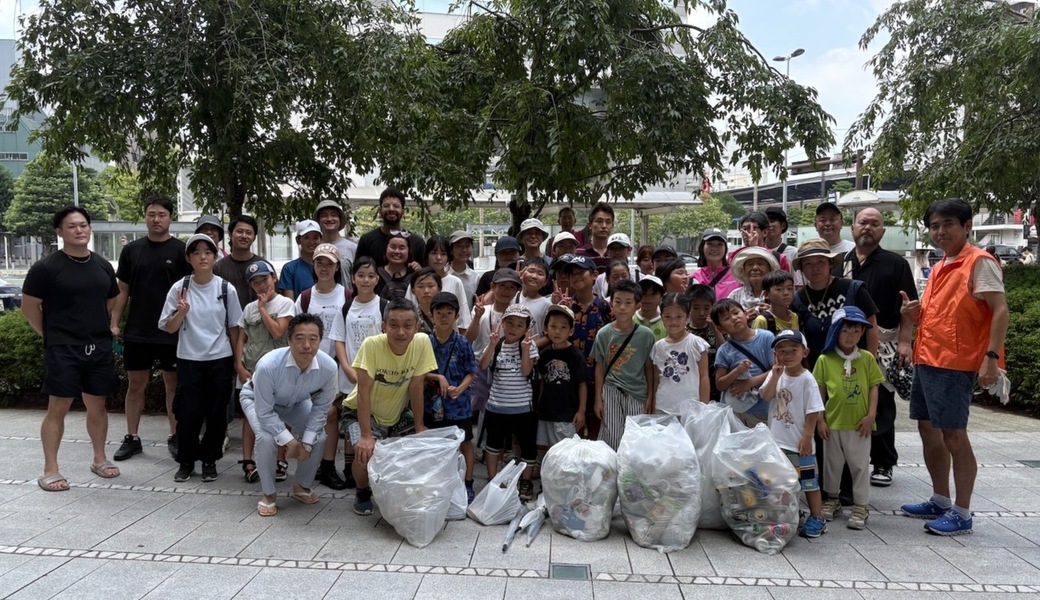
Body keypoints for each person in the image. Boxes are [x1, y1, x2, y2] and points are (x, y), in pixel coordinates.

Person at [899, 198, 1008, 536]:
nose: (940, 231)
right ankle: (940, 498)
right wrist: (915, 316)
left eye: (948, 224)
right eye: (934, 226)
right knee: (928, 430)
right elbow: (949, 314)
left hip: (955, 364)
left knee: (954, 435)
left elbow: (1000, 311)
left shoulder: (979, 262)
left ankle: (962, 512)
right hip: (928, 358)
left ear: (967, 226)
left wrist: (991, 359)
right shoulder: (944, 262)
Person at [24, 206, 121, 491]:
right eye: (71, 226)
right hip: (63, 348)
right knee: (59, 407)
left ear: (90, 228)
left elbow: (111, 299)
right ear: (59, 231)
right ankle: (50, 469)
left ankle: (99, 458)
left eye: (83, 225)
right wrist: (51, 334)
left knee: (98, 405)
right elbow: (29, 308)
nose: (79, 230)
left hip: (98, 346)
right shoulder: (47, 267)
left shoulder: (102, 265)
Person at [839, 207, 917, 488]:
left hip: (884, 344)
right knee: (848, 399)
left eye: (874, 224)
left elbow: (908, 308)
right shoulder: (841, 262)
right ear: (853, 228)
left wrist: (906, 343)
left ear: (883, 231)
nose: (868, 228)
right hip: (845, 344)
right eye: (863, 223)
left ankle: (883, 462)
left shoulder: (896, 264)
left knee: (882, 402)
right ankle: (850, 459)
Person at [109, 196, 190, 462]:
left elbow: (189, 294)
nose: (156, 219)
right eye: (151, 214)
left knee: (172, 385)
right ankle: (132, 437)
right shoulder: (132, 250)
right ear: (145, 216)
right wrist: (114, 322)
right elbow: (123, 290)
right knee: (136, 385)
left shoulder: (182, 251)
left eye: (162, 214)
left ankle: (175, 435)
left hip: (171, 330)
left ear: (170, 218)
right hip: (138, 330)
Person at [342, 298, 438, 516]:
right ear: (383, 326)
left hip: (397, 410)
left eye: (407, 325)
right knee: (364, 452)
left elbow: (416, 386)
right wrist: (366, 436)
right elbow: (364, 391)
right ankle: (362, 491)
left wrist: (419, 425)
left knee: (415, 449)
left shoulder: (422, 342)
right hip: (361, 410)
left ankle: (399, 491)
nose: (401, 332)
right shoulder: (372, 345)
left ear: (417, 326)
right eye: (393, 325)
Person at [159, 233, 243, 483]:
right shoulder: (180, 288)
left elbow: (235, 328)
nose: (203, 257)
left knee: (217, 413)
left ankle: (209, 460)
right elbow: (169, 327)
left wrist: (237, 362)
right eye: (197, 252)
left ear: (215, 257)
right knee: (187, 412)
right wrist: (181, 313)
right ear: (189, 258)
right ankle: (186, 460)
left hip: (220, 359)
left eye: (208, 252)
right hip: (188, 359)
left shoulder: (226, 288)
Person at [239, 313, 335, 516]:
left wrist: (306, 444)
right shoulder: (268, 365)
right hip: (257, 400)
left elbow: (321, 408)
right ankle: (269, 494)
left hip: (296, 403)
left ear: (320, 340)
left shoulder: (329, 367)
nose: (306, 345)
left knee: (319, 436)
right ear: (288, 340)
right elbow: (264, 412)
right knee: (266, 438)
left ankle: (301, 486)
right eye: (299, 338)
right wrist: (291, 443)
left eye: (313, 338)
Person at [814, 307, 884, 530]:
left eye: (856, 330)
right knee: (832, 465)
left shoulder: (866, 359)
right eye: (846, 330)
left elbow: (874, 386)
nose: (851, 335)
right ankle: (832, 500)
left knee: (860, 465)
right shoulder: (825, 359)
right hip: (832, 423)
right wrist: (820, 420)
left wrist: (871, 414)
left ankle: (861, 506)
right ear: (836, 331)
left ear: (862, 333)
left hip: (859, 424)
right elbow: (819, 391)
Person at [294, 243, 352, 490]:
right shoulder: (306, 297)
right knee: (318, 415)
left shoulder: (347, 295)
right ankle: (315, 464)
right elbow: (296, 331)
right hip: (309, 366)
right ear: (313, 265)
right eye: (320, 263)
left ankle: (326, 465)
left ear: (337, 267)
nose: (325, 268)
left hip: (338, 366)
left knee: (331, 414)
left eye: (330, 263)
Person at [233, 260, 295, 485]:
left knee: (280, 413)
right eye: (255, 282)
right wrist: (239, 366)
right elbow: (242, 338)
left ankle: (280, 459)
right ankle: (248, 461)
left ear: (274, 278)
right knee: (250, 417)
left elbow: (279, 332)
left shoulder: (285, 303)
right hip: (251, 372)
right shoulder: (248, 308)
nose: (261, 286)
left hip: (278, 372)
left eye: (264, 280)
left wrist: (262, 308)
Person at [760, 329, 827, 538]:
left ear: (804, 352)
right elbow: (766, 395)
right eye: (782, 350)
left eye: (793, 350)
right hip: (777, 442)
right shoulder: (776, 374)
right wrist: (775, 375)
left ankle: (818, 517)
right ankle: (790, 513)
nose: (787, 355)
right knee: (782, 482)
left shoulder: (807, 379)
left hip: (800, 444)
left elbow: (813, 409)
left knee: (809, 482)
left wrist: (808, 436)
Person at [329, 256, 387, 488]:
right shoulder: (346, 307)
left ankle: (369, 469)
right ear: (353, 278)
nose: (365, 280)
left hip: (377, 377)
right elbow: (339, 341)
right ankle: (350, 469)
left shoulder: (384, 306)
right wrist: (346, 367)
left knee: (372, 420)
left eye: (371, 276)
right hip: (350, 375)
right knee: (349, 420)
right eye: (361, 275)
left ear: (377, 279)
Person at [480, 303, 540, 501]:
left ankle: (525, 482)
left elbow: (526, 372)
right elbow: (482, 365)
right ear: (502, 323)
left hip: (523, 407)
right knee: (493, 445)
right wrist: (491, 344)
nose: (514, 328)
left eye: (519, 325)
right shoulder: (496, 344)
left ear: (526, 329)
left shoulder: (529, 346)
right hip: (496, 406)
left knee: (527, 447)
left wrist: (524, 350)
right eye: (510, 323)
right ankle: (492, 479)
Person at [424, 292, 479, 502]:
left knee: (465, 443)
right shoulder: (425, 341)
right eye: (439, 313)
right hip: (433, 404)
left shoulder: (463, 342)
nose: (444, 317)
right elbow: (417, 372)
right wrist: (437, 378)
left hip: (459, 404)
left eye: (449, 313)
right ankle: (437, 482)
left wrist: (461, 389)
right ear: (431, 314)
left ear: (456, 316)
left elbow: (472, 372)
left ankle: (468, 482)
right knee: (435, 444)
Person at [791, 238, 879, 368]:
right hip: (819, 370)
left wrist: (871, 363)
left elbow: (871, 324)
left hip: (856, 366)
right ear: (802, 268)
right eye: (808, 263)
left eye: (821, 261)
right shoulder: (798, 299)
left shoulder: (853, 289)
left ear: (830, 263)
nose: (815, 268)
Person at [592, 279, 656, 451]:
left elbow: (649, 367)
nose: (622, 307)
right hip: (611, 389)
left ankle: (631, 475)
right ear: (611, 304)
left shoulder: (646, 335)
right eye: (618, 302)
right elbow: (599, 367)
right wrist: (598, 398)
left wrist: (651, 396)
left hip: (637, 392)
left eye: (628, 303)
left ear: (637, 305)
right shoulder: (603, 334)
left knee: (635, 437)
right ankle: (612, 473)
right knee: (612, 435)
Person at [557, 254, 612, 439]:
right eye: (572, 274)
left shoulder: (604, 307)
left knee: (597, 423)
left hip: (597, 376)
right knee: (574, 427)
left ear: (594, 275)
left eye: (581, 273)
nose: (576, 277)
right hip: (571, 378)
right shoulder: (566, 307)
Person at [535, 304, 588, 461]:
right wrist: (538, 405)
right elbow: (543, 381)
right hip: (546, 410)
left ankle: (562, 481)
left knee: (565, 450)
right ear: (546, 329)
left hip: (567, 413)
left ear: (571, 331)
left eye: (563, 327)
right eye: (553, 326)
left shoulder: (576, 355)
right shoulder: (544, 354)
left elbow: (582, 384)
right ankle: (547, 480)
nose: (557, 331)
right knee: (546, 448)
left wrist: (581, 411)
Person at [713, 298, 774, 427]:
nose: (734, 318)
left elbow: (777, 370)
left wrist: (750, 383)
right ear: (720, 328)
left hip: (763, 411)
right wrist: (737, 371)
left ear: (746, 313)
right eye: (726, 318)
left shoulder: (766, 337)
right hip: (735, 412)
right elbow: (720, 384)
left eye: (736, 313)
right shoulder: (724, 350)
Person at [651, 293, 709, 416]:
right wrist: (653, 404)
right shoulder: (658, 346)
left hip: (692, 408)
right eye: (668, 316)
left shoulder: (696, 344)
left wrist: (704, 407)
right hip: (663, 407)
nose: (673, 321)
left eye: (678, 316)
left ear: (687, 317)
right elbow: (656, 380)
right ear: (661, 317)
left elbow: (704, 377)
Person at [406, 235, 471, 332]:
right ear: (427, 255)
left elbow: (463, 320)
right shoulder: (417, 281)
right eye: (433, 253)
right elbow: (408, 311)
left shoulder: (455, 282)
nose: (438, 258)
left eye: (443, 254)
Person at [356, 187, 425, 268]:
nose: (391, 209)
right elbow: (358, 272)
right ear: (380, 211)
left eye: (396, 206)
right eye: (386, 205)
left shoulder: (417, 242)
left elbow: (426, 274)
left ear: (403, 212)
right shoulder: (366, 241)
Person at [214, 215, 262, 311]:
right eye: (239, 231)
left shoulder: (263, 266)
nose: (244, 236)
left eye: (248, 233)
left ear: (254, 237)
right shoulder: (218, 268)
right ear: (230, 234)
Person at [686, 284, 722, 403]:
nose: (702, 313)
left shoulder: (719, 329)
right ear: (688, 308)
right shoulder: (684, 332)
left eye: (706, 308)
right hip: (692, 388)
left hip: (717, 387)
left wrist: (715, 329)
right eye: (696, 308)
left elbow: (723, 350)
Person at [314, 199, 358, 281]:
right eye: (324, 215)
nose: (329, 219)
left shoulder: (353, 248)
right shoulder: (313, 248)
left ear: (340, 220)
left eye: (333, 215)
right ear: (318, 221)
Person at [727, 246, 780, 313]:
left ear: (769, 269)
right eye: (750, 264)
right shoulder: (735, 295)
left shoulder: (777, 293)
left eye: (760, 264)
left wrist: (773, 312)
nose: (755, 268)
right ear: (744, 270)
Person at [278, 220, 321, 300]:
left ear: (321, 240)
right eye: (306, 237)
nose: (312, 242)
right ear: (298, 240)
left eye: (315, 238)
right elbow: (289, 304)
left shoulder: (329, 266)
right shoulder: (289, 269)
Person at [691, 228, 740, 299]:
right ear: (702, 247)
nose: (714, 248)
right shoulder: (693, 278)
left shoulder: (737, 276)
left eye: (720, 244)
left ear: (725, 248)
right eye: (710, 244)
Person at [593, 233, 639, 297]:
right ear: (608, 252)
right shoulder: (600, 280)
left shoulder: (639, 277)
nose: (617, 252)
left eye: (621, 248)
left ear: (629, 250)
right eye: (613, 248)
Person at [516, 257, 551, 338]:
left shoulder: (547, 304)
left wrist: (532, 347)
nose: (534, 276)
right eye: (531, 271)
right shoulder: (511, 297)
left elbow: (548, 335)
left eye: (540, 273)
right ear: (521, 273)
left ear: (545, 281)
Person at [375, 232, 416, 301]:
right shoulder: (375, 274)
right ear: (386, 248)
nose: (397, 251)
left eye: (401, 248)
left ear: (409, 251)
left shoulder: (414, 277)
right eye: (393, 247)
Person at [578, 201, 615, 270]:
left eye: (608, 222)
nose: (604, 226)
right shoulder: (579, 254)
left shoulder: (616, 254)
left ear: (612, 226)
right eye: (599, 221)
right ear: (589, 225)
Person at [448, 230, 479, 306]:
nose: (464, 250)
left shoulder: (475, 277)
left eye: (467, 246)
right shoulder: (443, 274)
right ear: (451, 250)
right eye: (459, 246)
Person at [409, 267, 441, 334]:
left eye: (431, 286)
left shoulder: (447, 314)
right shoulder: (410, 316)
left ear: (439, 289)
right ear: (413, 291)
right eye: (420, 287)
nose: (426, 291)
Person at [633, 275, 666, 340]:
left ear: (661, 296)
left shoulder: (666, 323)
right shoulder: (630, 320)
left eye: (653, 294)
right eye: (644, 293)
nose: (647, 298)